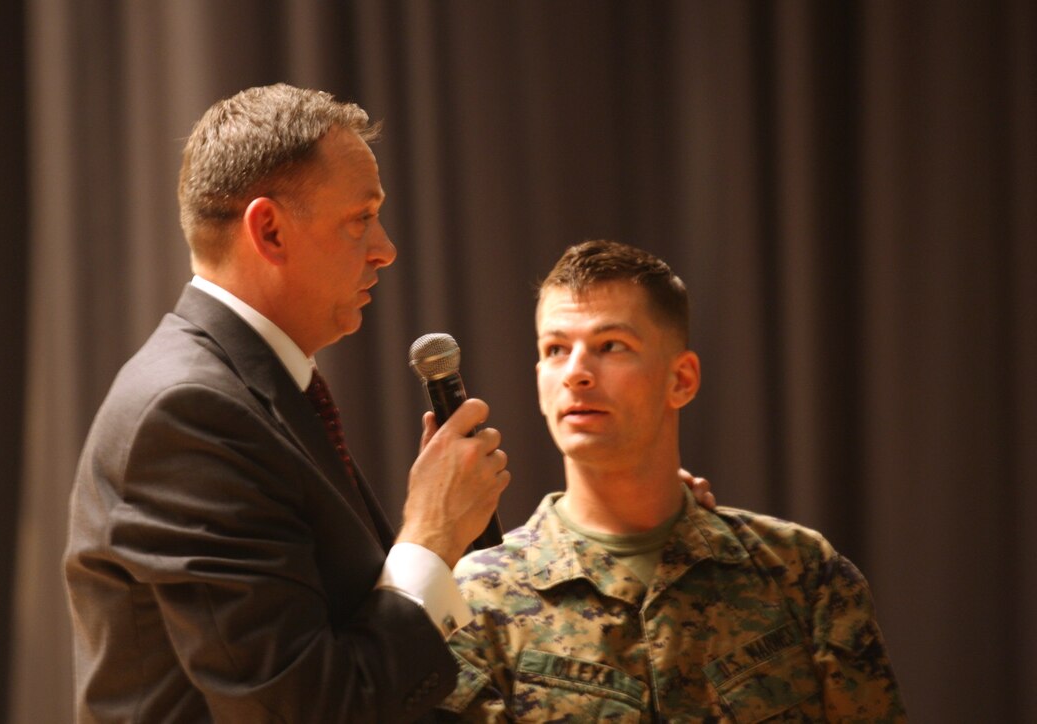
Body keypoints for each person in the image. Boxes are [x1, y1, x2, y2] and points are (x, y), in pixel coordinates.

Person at [62, 84, 514, 722]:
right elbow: (302, 708)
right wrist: (431, 535)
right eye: (361, 218)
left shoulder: (249, 389)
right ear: (269, 229)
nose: (385, 248)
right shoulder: (189, 412)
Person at [437, 240, 907, 722]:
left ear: (681, 379)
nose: (575, 372)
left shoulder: (801, 574)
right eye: (555, 349)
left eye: (610, 346)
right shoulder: (481, 598)